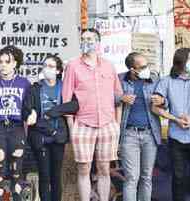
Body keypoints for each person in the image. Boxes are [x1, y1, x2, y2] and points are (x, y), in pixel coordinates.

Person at [60, 28, 123, 201]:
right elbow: (66, 100)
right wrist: (72, 128)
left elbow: (118, 97)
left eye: (89, 39)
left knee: (104, 168)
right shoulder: (73, 66)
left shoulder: (109, 65)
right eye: (83, 39)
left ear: (98, 43)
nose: (86, 42)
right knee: (84, 168)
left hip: (108, 125)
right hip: (82, 125)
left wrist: (116, 125)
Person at [150, 48, 190, 201]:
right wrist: (175, 119)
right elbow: (155, 107)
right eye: (189, 58)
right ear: (180, 61)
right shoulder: (166, 81)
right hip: (176, 137)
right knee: (178, 177)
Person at [0, 45, 34, 201]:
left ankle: (16, 196)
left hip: (16, 126)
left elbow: (28, 106)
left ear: (15, 63)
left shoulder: (24, 83)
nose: (3, 65)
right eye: (0, 62)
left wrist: (31, 113)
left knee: (16, 168)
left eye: (7, 61)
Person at [117, 52, 162, 201]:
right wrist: (121, 98)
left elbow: (166, 101)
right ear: (132, 69)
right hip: (129, 134)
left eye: (147, 65)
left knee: (147, 177)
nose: (146, 69)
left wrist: (161, 101)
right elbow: (107, 98)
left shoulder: (154, 79)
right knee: (131, 177)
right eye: (142, 67)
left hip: (150, 134)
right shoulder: (120, 80)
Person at [27, 55, 70, 201]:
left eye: (51, 66)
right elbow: (30, 116)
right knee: (44, 176)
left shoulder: (65, 87)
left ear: (58, 70)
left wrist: (53, 112)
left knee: (56, 176)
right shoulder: (35, 88)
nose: (47, 69)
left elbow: (74, 105)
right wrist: (51, 130)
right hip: (41, 137)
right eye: (45, 65)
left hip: (59, 138)